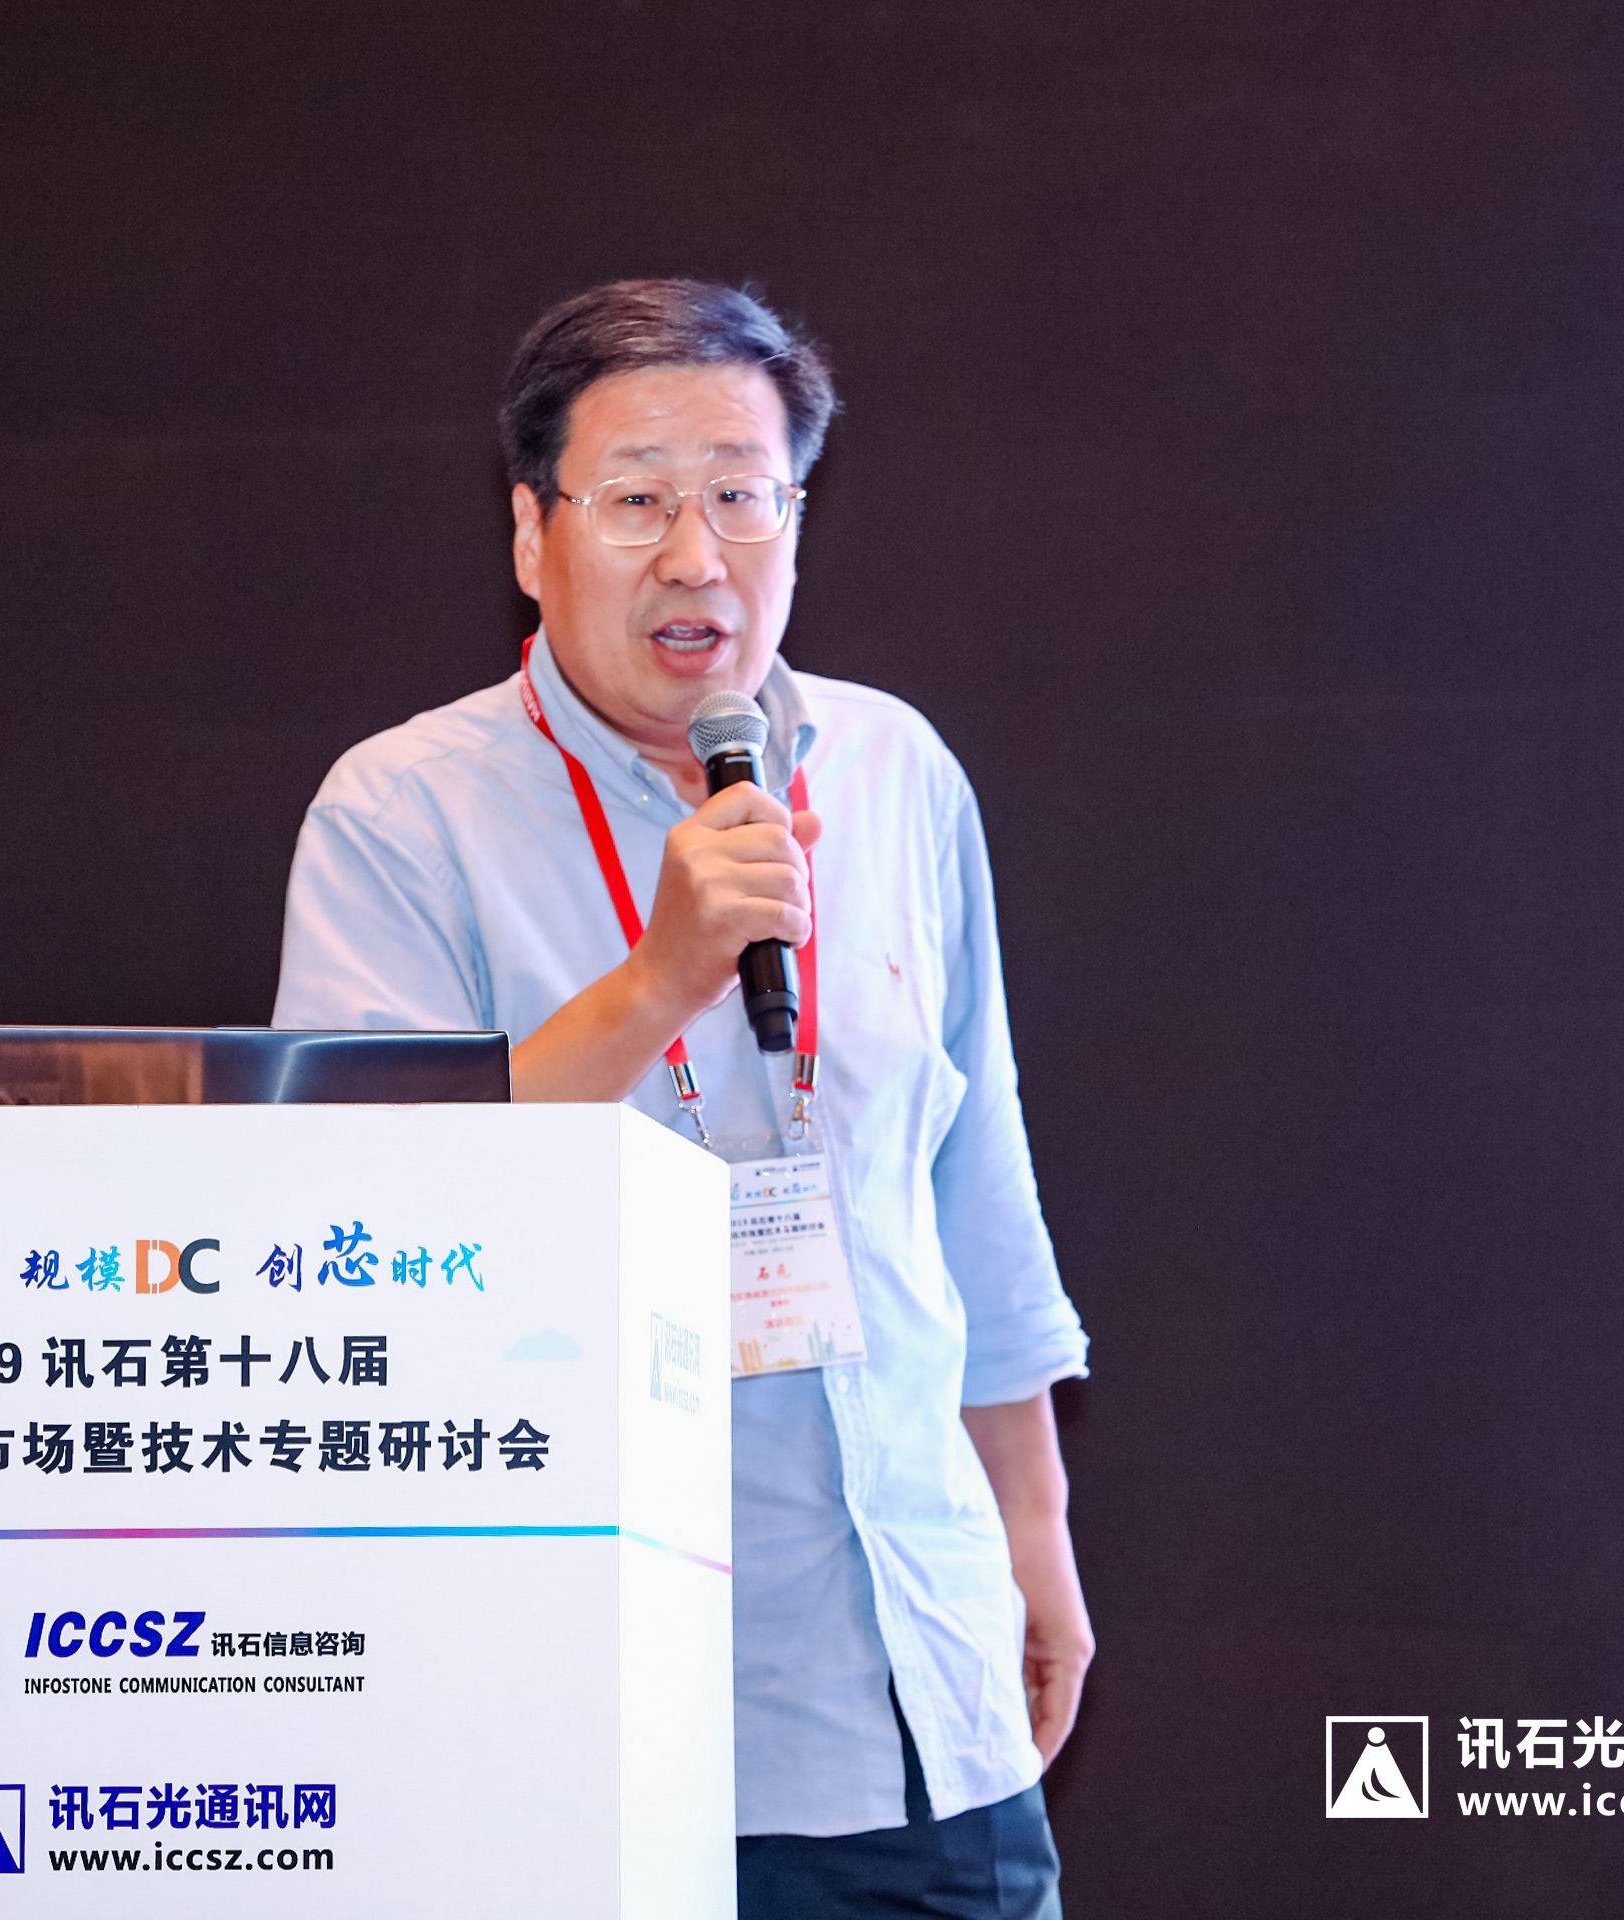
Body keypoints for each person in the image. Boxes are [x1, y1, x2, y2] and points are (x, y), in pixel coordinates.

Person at [271, 278, 1090, 1919]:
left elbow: (974, 1190)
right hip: (593, 1729)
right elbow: (359, 1223)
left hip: (926, 1695)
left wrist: (1035, 1536)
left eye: (741, 495)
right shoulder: (404, 813)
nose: (698, 556)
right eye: (638, 500)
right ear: (532, 533)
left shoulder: (895, 771)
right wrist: (660, 981)